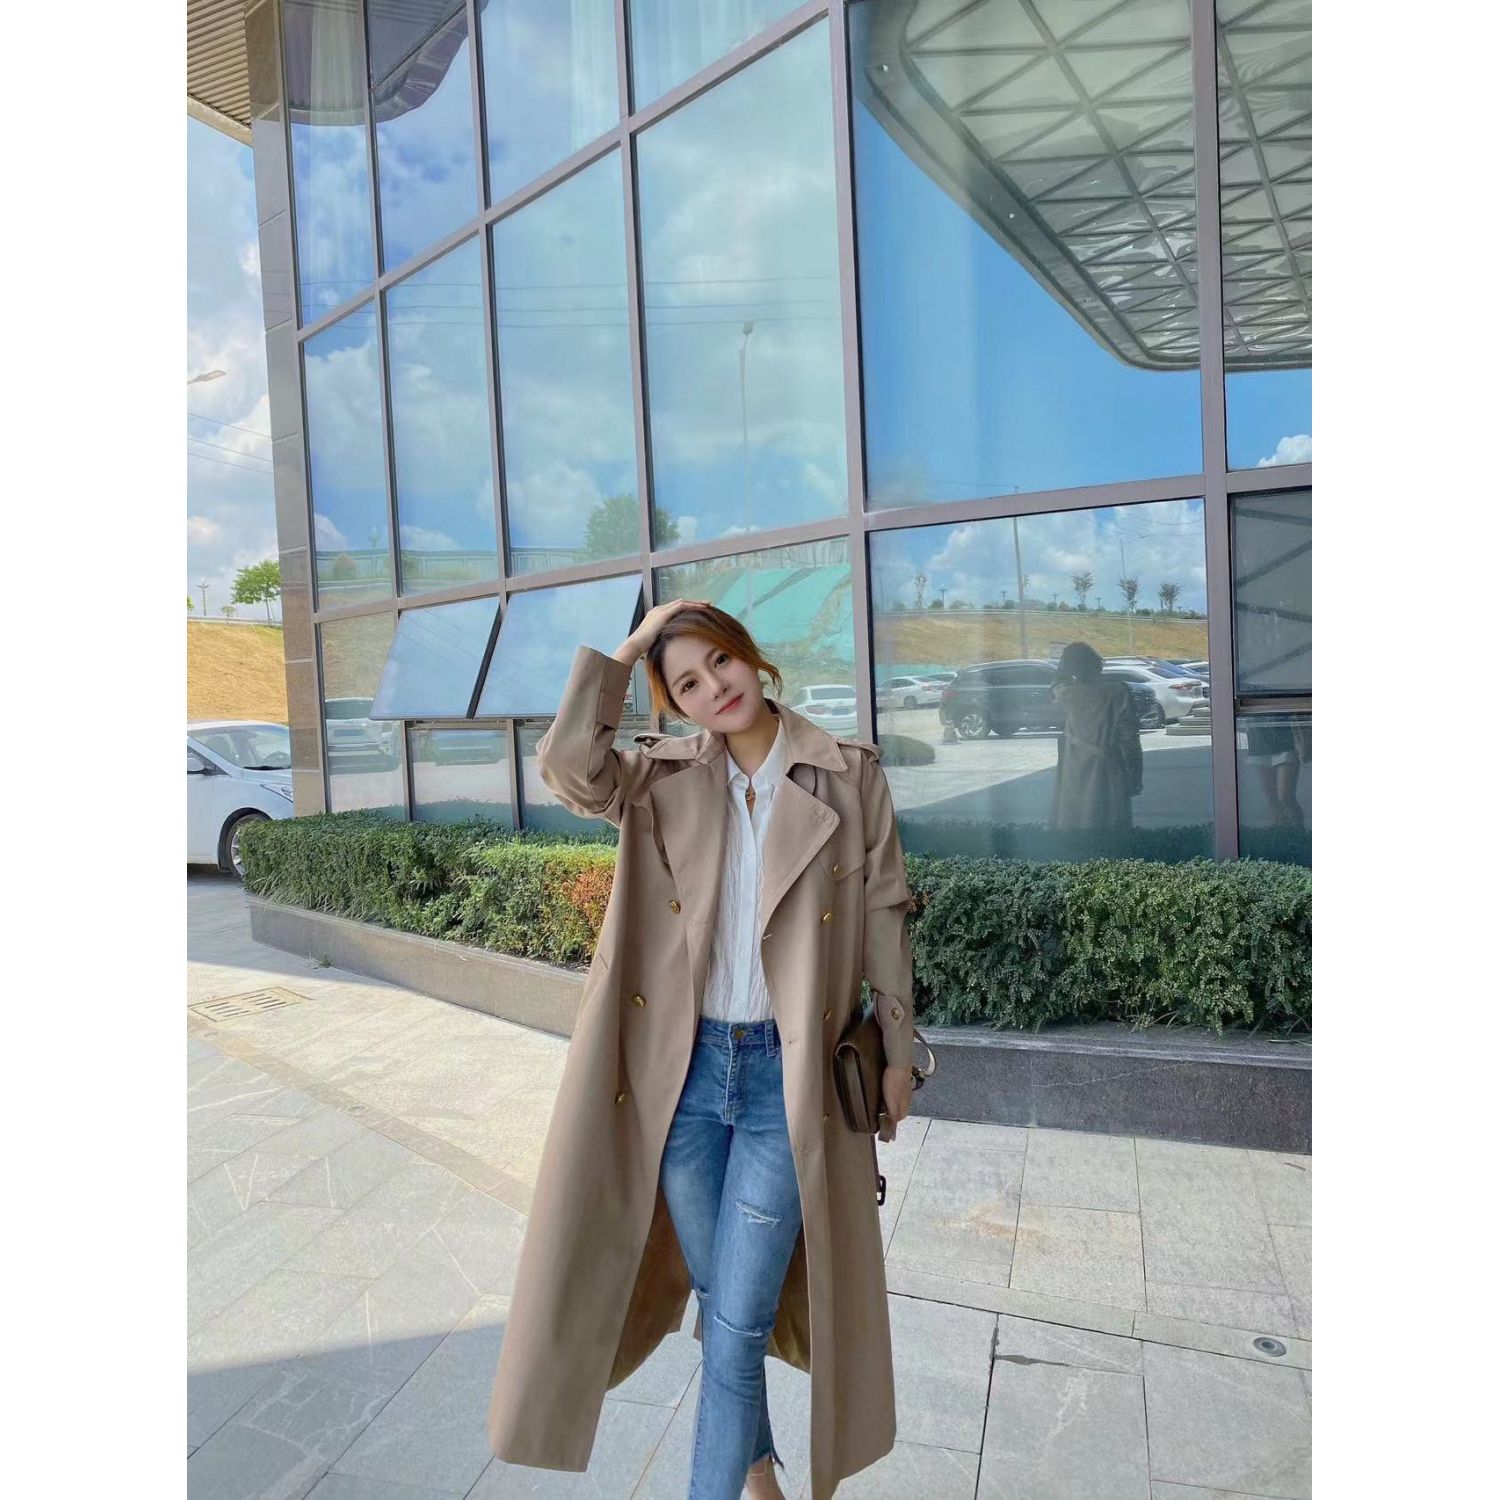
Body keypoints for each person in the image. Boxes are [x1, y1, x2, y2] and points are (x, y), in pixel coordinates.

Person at [485, 598, 918, 1500]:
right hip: (680, 1082)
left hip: (784, 1083)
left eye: (719, 661)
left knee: (737, 1322)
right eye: (685, 683)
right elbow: (567, 767)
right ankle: (757, 1473)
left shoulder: (848, 775)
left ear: (750, 657)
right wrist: (635, 646)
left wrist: (900, 1048)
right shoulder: (658, 779)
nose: (713, 687)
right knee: (727, 1308)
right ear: (674, 703)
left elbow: (884, 914)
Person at [1048, 641, 1143, 831]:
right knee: (1108, 820)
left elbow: (1054, 686)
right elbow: (1129, 740)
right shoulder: (1119, 691)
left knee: (1075, 819)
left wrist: (1063, 670)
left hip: (1073, 767)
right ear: (1096, 662)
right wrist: (1134, 777)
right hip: (1108, 766)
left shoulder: (1066, 693)